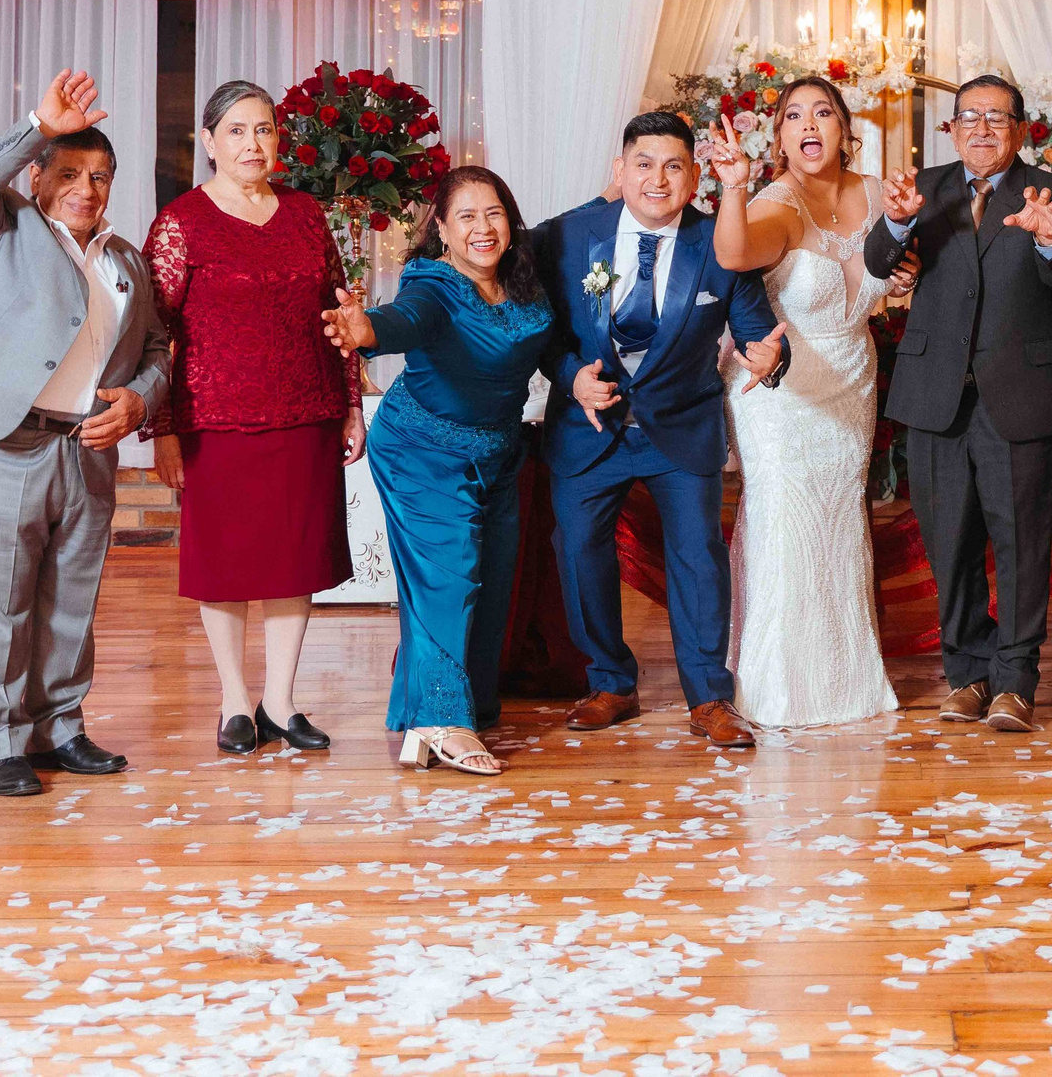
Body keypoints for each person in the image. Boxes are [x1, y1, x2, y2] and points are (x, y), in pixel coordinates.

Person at [0, 70, 171, 797]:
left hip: (85, 448)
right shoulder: (2, 230)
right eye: (68, 171)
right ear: (40, 174)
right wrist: (38, 123)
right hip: (3, 442)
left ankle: (59, 725)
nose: (86, 187)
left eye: (100, 175)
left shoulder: (126, 261)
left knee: (70, 599)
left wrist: (140, 403)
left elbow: (155, 351)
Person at [535, 111, 790, 749]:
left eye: (674, 166)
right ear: (619, 172)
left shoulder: (719, 242)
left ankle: (709, 696)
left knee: (698, 558)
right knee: (578, 550)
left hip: (682, 428)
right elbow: (533, 325)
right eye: (643, 165)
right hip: (588, 427)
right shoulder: (566, 236)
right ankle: (610, 684)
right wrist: (570, 378)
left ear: (694, 176)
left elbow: (758, 328)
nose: (658, 179)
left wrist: (768, 355)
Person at [862, 74, 1052, 733]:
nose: (983, 128)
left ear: (1021, 129)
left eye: (998, 117)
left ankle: (1015, 680)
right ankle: (967, 672)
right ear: (953, 127)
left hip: (1019, 396)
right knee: (948, 541)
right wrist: (898, 221)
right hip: (936, 397)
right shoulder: (924, 188)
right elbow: (882, 261)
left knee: (1021, 541)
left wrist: (1050, 238)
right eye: (970, 117)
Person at [144, 81, 363, 758]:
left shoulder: (304, 214)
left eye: (264, 129)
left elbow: (340, 312)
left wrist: (352, 399)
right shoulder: (181, 223)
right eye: (236, 130)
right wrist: (164, 429)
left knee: (294, 560)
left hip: (306, 409)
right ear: (208, 142)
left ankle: (281, 700)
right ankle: (235, 700)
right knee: (228, 565)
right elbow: (156, 333)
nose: (252, 143)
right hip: (216, 419)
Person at [320, 166, 558, 775]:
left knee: (493, 579)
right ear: (443, 231)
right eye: (468, 217)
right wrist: (367, 328)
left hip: (498, 452)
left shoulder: (522, 279)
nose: (484, 227)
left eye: (495, 213)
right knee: (448, 577)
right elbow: (406, 320)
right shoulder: (433, 283)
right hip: (422, 450)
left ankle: (455, 708)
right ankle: (440, 721)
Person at [703, 78, 910, 728]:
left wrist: (910, 270)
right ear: (780, 135)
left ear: (845, 126)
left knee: (841, 522)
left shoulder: (875, 192)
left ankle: (850, 683)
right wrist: (735, 185)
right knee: (786, 522)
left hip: (852, 377)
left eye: (823, 110)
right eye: (794, 114)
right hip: (781, 388)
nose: (809, 123)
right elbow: (733, 252)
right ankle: (775, 688)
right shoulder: (779, 202)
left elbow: (898, 263)